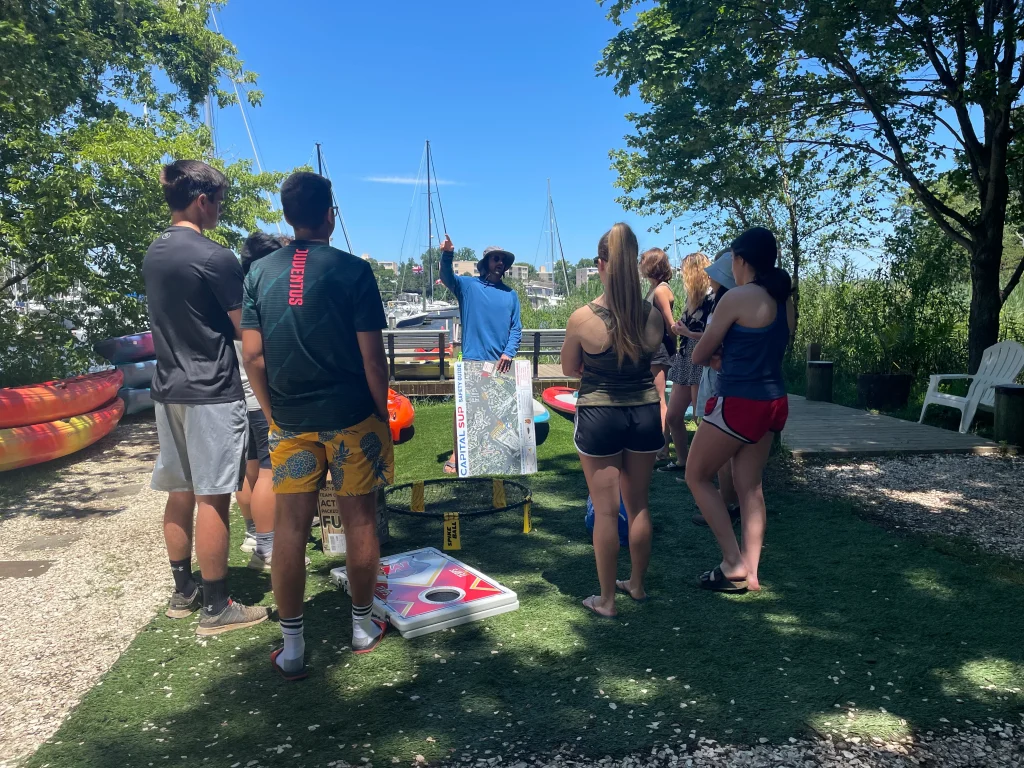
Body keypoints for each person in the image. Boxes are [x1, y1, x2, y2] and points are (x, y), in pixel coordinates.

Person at [242, 171, 394, 680]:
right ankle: (360, 627)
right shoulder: (354, 271)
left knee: (289, 528)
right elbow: (374, 361)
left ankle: (292, 647)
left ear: (287, 215)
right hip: (353, 416)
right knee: (361, 522)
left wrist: (271, 413)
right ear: (331, 214)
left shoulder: (258, 274)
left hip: (290, 421)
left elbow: (254, 356)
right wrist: (381, 415)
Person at [142, 159, 268, 636]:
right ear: (202, 200)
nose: (219, 210)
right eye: (218, 201)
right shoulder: (215, 257)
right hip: (212, 391)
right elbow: (246, 332)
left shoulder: (155, 252)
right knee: (214, 496)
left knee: (181, 488)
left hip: (167, 387)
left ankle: (184, 590)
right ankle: (217, 607)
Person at [560, 223, 665, 618]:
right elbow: (653, 356)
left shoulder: (583, 318)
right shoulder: (652, 316)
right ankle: (636, 585)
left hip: (600, 416)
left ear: (601, 264)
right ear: (635, 265)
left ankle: (607, 600)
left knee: (606, 512)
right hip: (643, 412)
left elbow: (571, 369)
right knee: (638, 506)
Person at [685, 227, 794, 593]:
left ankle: (733, 562)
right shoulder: (783, 300)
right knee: (750, 488)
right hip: (774, 401)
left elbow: (699, 355)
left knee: (696, 475)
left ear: (741, 260)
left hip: (739, 402)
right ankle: (753, 573)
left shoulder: (736, 298)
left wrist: (720, 355)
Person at [439, 234, 522, 474]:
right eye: (495, 259)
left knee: (498, 412)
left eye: (503, 260)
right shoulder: (467, 286)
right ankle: (458, 452)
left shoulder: (511, 295)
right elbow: (446, 277)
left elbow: (516, 328)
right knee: (464, 411)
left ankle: (495, 451)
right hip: (473, 362)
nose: (500, 263)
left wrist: (508, 352)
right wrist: (447, 254)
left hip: (501, 365)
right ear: (485, 263)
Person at [236, 232, 291, 569]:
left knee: (250, 471)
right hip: (260, 398)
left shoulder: (234, 294)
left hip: (237, 398)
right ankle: (266, 550)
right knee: (270, 473)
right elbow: (256, 356)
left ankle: (253, 534)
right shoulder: (261, 296)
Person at [685, 249, 741, 527]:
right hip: (729, 379)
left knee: (718, 453)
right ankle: (731, 498)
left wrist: (707, 353)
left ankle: (726, 502)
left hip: (716, 377)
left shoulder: (723, 305)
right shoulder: (743, 304)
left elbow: (706, 349)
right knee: (735, 453)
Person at [660, 252, 713, 473]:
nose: (681, 275)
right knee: (673, 416)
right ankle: (684, 461)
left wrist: (687, 332)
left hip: (700, 357)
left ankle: (700, 469)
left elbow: (714, 335)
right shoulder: (692, 298)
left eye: (684, 271)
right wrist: (682, 329)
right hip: (685, 358)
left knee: (701, 418)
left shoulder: (712, 299)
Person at [640, 248, 675, 462]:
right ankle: (659, 445)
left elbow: (670, 324)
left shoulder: (661, 290)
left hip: (659, 349)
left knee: (659, 398)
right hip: (651, 349)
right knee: (655, 397)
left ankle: (662, 448)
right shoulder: (654, 288)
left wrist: (675, 350)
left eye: (643, 261)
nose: (640, 265)